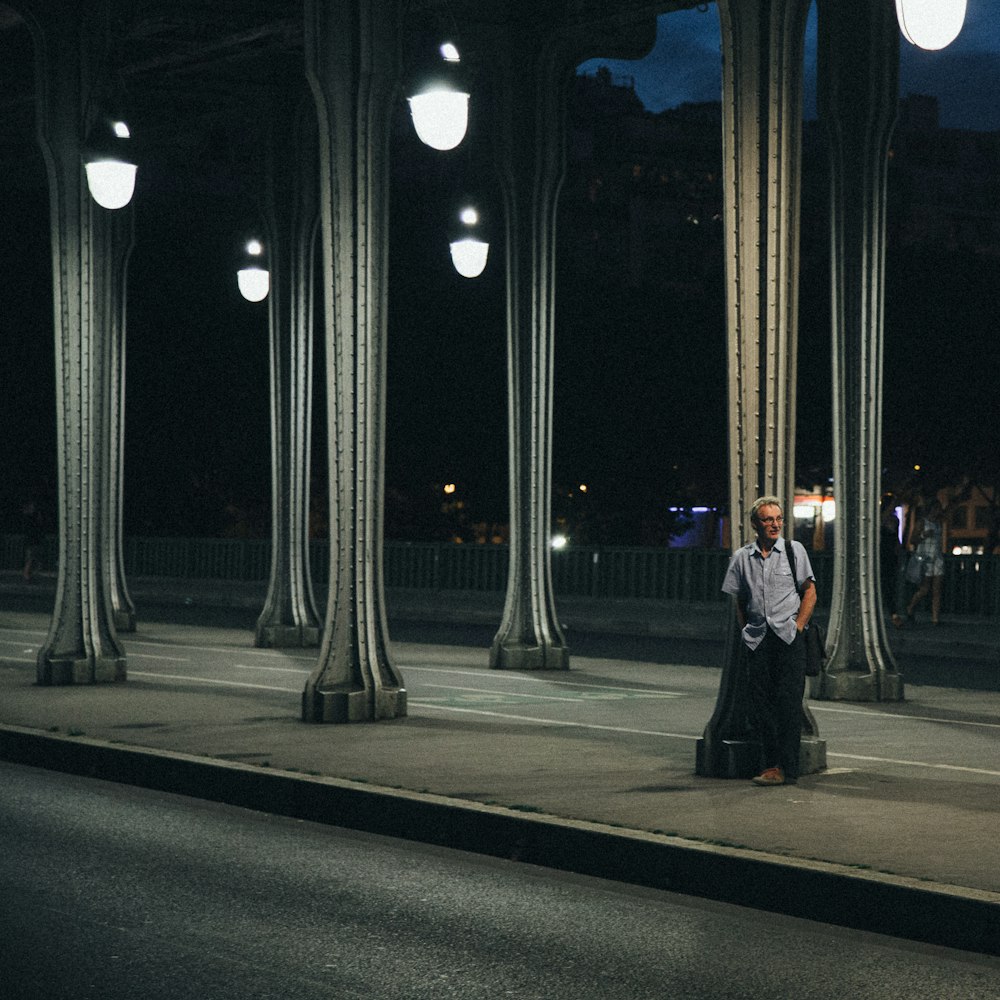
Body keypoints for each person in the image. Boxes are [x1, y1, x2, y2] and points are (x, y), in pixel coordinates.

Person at [722, 495, 817, 787]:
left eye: (778, 519)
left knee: (788, 704)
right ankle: (771, 765)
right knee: (761, 705)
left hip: (787, 638)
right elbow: (739, 599)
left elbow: (809, 591)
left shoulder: (793, 550)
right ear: (755, 524)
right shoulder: (741, 558)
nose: (774, 525)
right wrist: (746, 631)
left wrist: (798, 626)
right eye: (768, 520)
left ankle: (787, 768)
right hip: (758, 639)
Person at [903, 497, 946, 625]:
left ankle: (935, 618)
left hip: (937, 558)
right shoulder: (922, 522)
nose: (937, 511)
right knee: (925, 589)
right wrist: (923, 535)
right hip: (925, 558)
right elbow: (912, 540)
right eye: (935, 509)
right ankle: (910, 607)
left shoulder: (938, 524)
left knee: (937, 590)